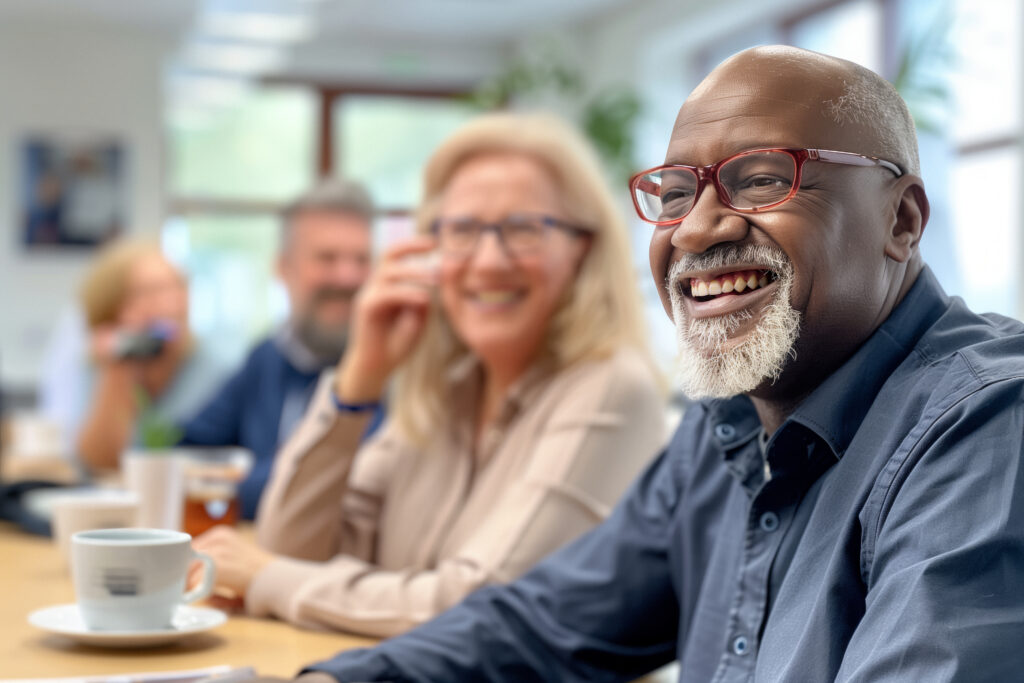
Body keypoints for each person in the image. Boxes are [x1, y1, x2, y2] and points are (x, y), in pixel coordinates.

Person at [284, 46, 1024, 682]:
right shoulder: (724, 427)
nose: (698, 227)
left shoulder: (987, 423)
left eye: (763, 178)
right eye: (673, 193)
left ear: (902, 220)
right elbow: (542, 625)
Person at [191, 112, 667, 638]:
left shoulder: (610, 387)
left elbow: (479, 608)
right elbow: (294, 546)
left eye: (523, 229)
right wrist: (359, 378)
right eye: (461, 230)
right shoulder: (448, 390)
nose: (487, 261)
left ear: (584, 248)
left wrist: (270, 578)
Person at [178, 179, 376, 519]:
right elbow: (186, 461)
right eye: (327, 259)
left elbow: (345, 490)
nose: (347, 278)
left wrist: (243, 480)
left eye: (361, 260)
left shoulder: (393, 372)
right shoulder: (268, 357)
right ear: (283, 268)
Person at [74, 240, 224, 470]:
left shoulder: (216, 371)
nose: (171, 303)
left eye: (177, 287)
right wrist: (121, 364)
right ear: (115, 306)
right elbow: (97, 465)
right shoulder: (101, 367)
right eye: (150, 292)